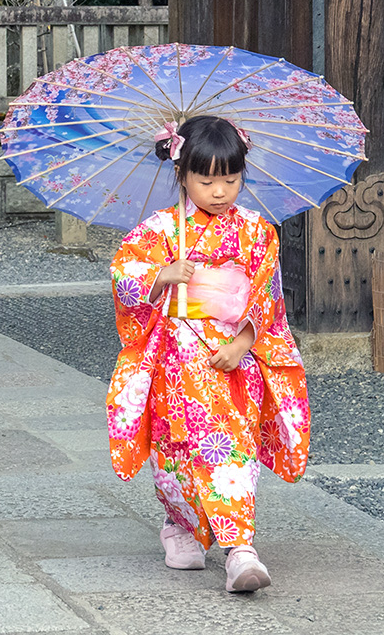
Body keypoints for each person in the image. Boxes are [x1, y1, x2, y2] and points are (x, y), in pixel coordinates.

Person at [105, 114, 311, 594]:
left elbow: (267, 297)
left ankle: (240, 549)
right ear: (180, 174)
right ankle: (180, 524)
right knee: (175, 448)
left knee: (230, 444)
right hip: (175, 359)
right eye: (206, 180)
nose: (220, 191)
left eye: (231, 179)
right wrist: (160, 277)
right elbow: (124, 278)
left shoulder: (259, 232)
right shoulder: (159, 232)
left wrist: (242, 342)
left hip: (232, 356)